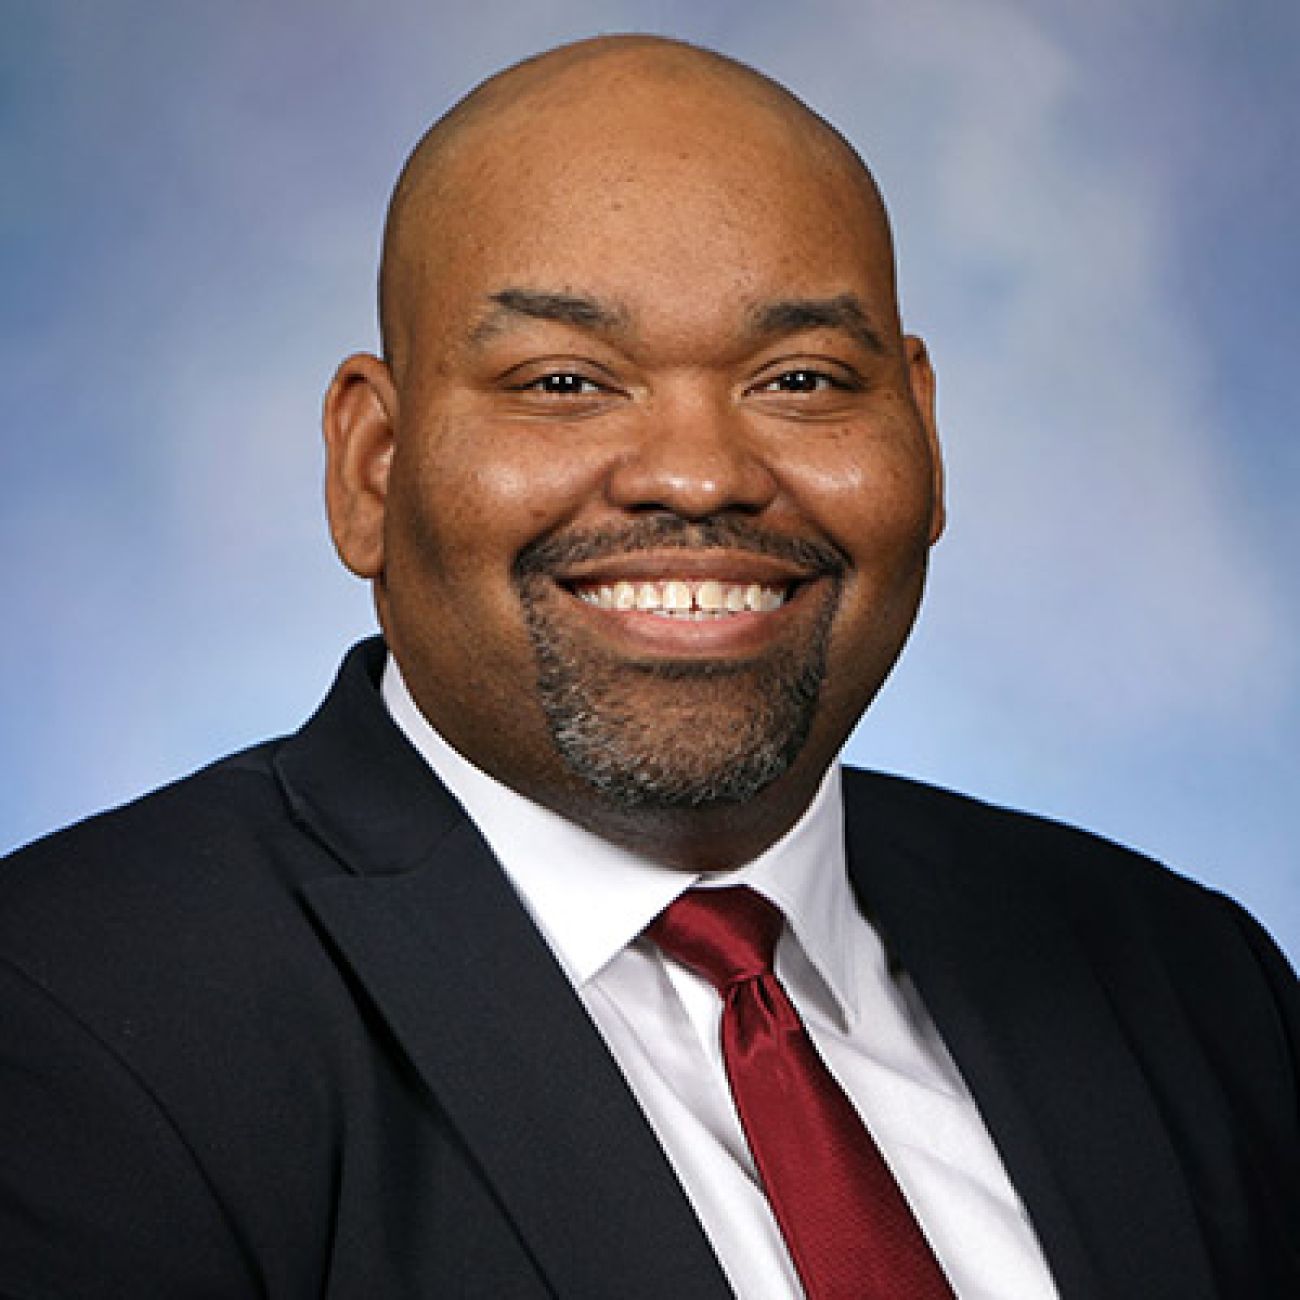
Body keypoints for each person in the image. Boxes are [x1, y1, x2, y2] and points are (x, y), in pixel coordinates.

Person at [0, 34, 1295, 1300]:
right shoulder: (67, 1022)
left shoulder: (1190, 979)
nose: (699, 474)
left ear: (924, 437)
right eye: (567, 379)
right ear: (373, 468)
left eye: (799, 377)